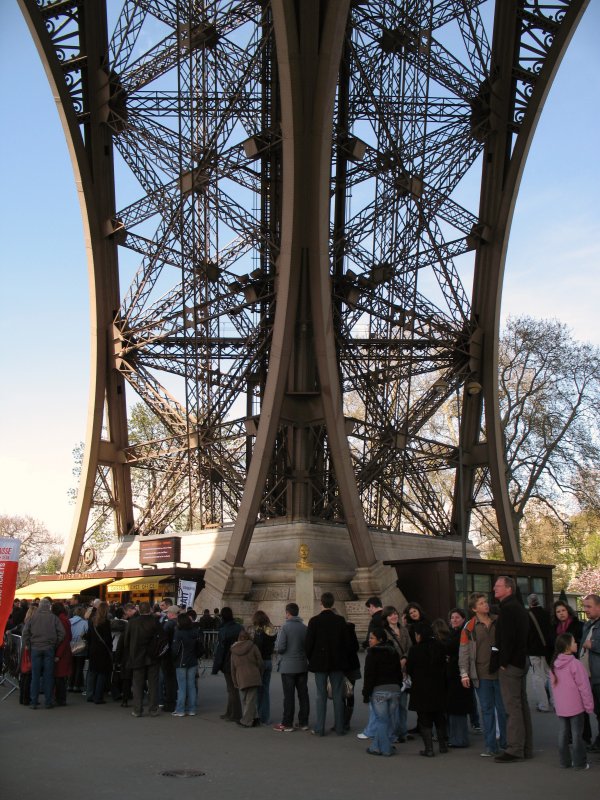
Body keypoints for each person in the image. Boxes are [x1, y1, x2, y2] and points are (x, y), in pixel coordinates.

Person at [459, 592, 507, 757]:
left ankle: (505, 743)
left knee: (502, 709)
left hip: (500, 672)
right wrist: (464, 674)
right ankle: (490, 745)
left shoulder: (498, 621)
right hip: (481, 674)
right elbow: (464, 652)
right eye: (481, 603)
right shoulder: (469, 627)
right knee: (487, 710)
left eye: (485, 602)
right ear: (474, 608)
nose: (485, 605)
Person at [493, 575, 533, 762]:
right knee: (521, 705)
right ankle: (525, 746)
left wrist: (503, 662)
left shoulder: (508, 610)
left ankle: (515, 748)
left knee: (512, 707)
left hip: (511, 665)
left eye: (498, 585)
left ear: (509, 589)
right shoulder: (518, 608)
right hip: (520, 661)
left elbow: (507, 639)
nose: (494, 588)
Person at [305, 591, 349, 736]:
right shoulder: (340, 620)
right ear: (333, 603)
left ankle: (319, 728)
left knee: (321, 694)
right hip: (337, 662)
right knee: (337, 694)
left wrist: (311, 658)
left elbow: (309, 643)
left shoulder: (314, 621)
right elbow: (345, 643)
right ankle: (340, 727)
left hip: (319, 662)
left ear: (321, 603)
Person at [550, 632, 594, 770]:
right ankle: (580, 763)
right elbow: (584, 687)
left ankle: (565, 762)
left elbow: (553, 688)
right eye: (574, 642)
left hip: (562, 707)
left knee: (563, 734)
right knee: (577, 736)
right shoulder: (576, 664)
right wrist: (589, 706)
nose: (576, 643)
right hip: (576, 706)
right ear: (568, 647)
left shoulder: (554, 665)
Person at [406, 621, 448, 757]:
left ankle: (429, 748)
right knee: (439, 717)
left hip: (421, 688)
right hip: (438, 686)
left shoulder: (415, 650)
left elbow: (409, 669)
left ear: (419, 635)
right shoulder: (440, 646)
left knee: (424, 718)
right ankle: (443, 745)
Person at [362, 627, 402, 757]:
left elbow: (369, 676)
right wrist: (399, 684)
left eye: (372, 638)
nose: (369, 640)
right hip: (395, 689)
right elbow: (398, 671)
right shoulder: (393, 652)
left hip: (379, 690)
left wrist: (366, 694)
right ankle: (376, 746)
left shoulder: (372, 654)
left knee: (381, 720)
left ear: (380, 639)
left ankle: (385, 749)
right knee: (386, 720)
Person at [22, 597, 65, 709]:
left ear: (40, 606)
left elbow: (25, 633)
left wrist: (29, 644)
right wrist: (55, 643)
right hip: (49, 648)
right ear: (49, 606)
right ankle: (48, 701)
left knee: (35, 676)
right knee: (48, 676)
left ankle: (34, 702)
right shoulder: (54, 618)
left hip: (35, 648)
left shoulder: (33, 617)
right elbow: (62, 633)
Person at [273, 602, 310, 732]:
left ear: (288, 613)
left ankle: (287, 723)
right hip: (302, 665)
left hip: (288, 667)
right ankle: (303, 722)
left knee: (288, 696)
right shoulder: (304, 628)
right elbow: (308, 647)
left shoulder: (285, 627)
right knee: (303, 695)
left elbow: (281, 647)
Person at [123, 601, 162, 717]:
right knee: (153, 684)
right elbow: (161, 639)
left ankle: (137, 709)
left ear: (139, 610)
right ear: (150, 609)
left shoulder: (132, 623)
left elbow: (126, 641)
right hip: (153, 656)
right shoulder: (155, 621)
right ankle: (153, 709)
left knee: (137, 684)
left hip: (137, 656)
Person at [381, 605, 411, 743]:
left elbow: (410, 647)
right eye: (390, 615)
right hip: (391, 671)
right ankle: (392, 732)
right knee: (392, 704)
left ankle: (402, 731)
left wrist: (404, 659)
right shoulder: (384, 632)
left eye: (395, 614)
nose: (394, 617)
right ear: (386, 618)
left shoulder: (403, 630)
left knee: (402, 705)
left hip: (404, 671)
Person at [356, 596, 385, 741]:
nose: (368, 612)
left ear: (373, 606)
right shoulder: (388, 617)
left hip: (376, 659)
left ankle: (371, 730)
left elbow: (370, 639)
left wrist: (365, 644)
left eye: (368, 609)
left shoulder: (375, 620)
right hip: (389, 659)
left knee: (375, 698)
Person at [444, 608, 473, 748]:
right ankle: (456, 737)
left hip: (460, 674)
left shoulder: (462, 634)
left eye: (457, 617)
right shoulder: (454, 633)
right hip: (454, 674)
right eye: (452, 617)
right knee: (455, 707)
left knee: (457, 707)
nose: (454, 620)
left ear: (463, 619)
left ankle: (459, 739)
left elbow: (450, 648)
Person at [211, 606, 243, 723]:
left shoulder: (223, 630)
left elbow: (221, 649)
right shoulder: (239, 627)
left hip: (228, 661)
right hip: (238, 660)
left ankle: (235, 714)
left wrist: (216, 666)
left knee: (232, 689)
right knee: (232, 688)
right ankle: (230, 712)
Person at [171, 609, 203, 717]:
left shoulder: (178, 633)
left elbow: (175, 650)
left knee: (182, 687)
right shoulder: (195, 631)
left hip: (181, 662)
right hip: (193, 661)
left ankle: (180, 709)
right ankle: (192, 709)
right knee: (191, 686)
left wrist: (173, 659)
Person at [578, 594, 600, 752]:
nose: (586, 610)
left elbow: (591, 645)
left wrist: (592, 644)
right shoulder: (587, 625)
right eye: (584, 606)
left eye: (589, 606)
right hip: (586, 676)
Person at [527, 593, 555, 712]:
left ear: (529, 602)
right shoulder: (546, 613)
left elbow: (526, 634)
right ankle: (555, 702)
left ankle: (543, 704)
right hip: (547, 649)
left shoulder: (527, 615)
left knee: (537, 677)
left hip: (534, 650)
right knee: (550, 675)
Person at [230, 629, 264, 727]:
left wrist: (234, 681)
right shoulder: (253, 646)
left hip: (241, 677)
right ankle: (252, 719)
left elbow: (232, 668)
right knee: (251, 700)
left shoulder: (233, 650)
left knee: (246, 700)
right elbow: (260, 662)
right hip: (253, 675)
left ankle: (248, 720)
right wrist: (259, 672)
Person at [249, 610, 276, 725]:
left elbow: (257, 648)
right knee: (265, 690)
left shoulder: (259, 633)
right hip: (269, 660)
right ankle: (265, 716)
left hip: (261, 662)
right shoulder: (271, 631)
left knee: (259, 690)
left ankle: (260, 716)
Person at [84, 600, 113, 704]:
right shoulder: (106, 623)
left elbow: (88, 636)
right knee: (102, 674)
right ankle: (98, 696)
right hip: (103, 651)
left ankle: (90, 694)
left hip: (93, 650)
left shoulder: (92, 621)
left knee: (92, 673)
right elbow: (108, 639)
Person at [51, 602, 72, 706]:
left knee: (59, 676)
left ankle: (60, 698)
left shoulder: (60, 620)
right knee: (61, 677)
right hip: (65, 651)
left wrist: (58, 655)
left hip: (61, 652)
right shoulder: (65, 619)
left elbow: (63, 639)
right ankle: (60, 698)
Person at [68, 605, 88, 693]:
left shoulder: (69, 621)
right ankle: (77, 685)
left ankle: (70, 684)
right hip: (80, 646)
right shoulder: (85, 623)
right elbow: (86, 634)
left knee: (71, 666)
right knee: (79, 667)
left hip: (70, 646)